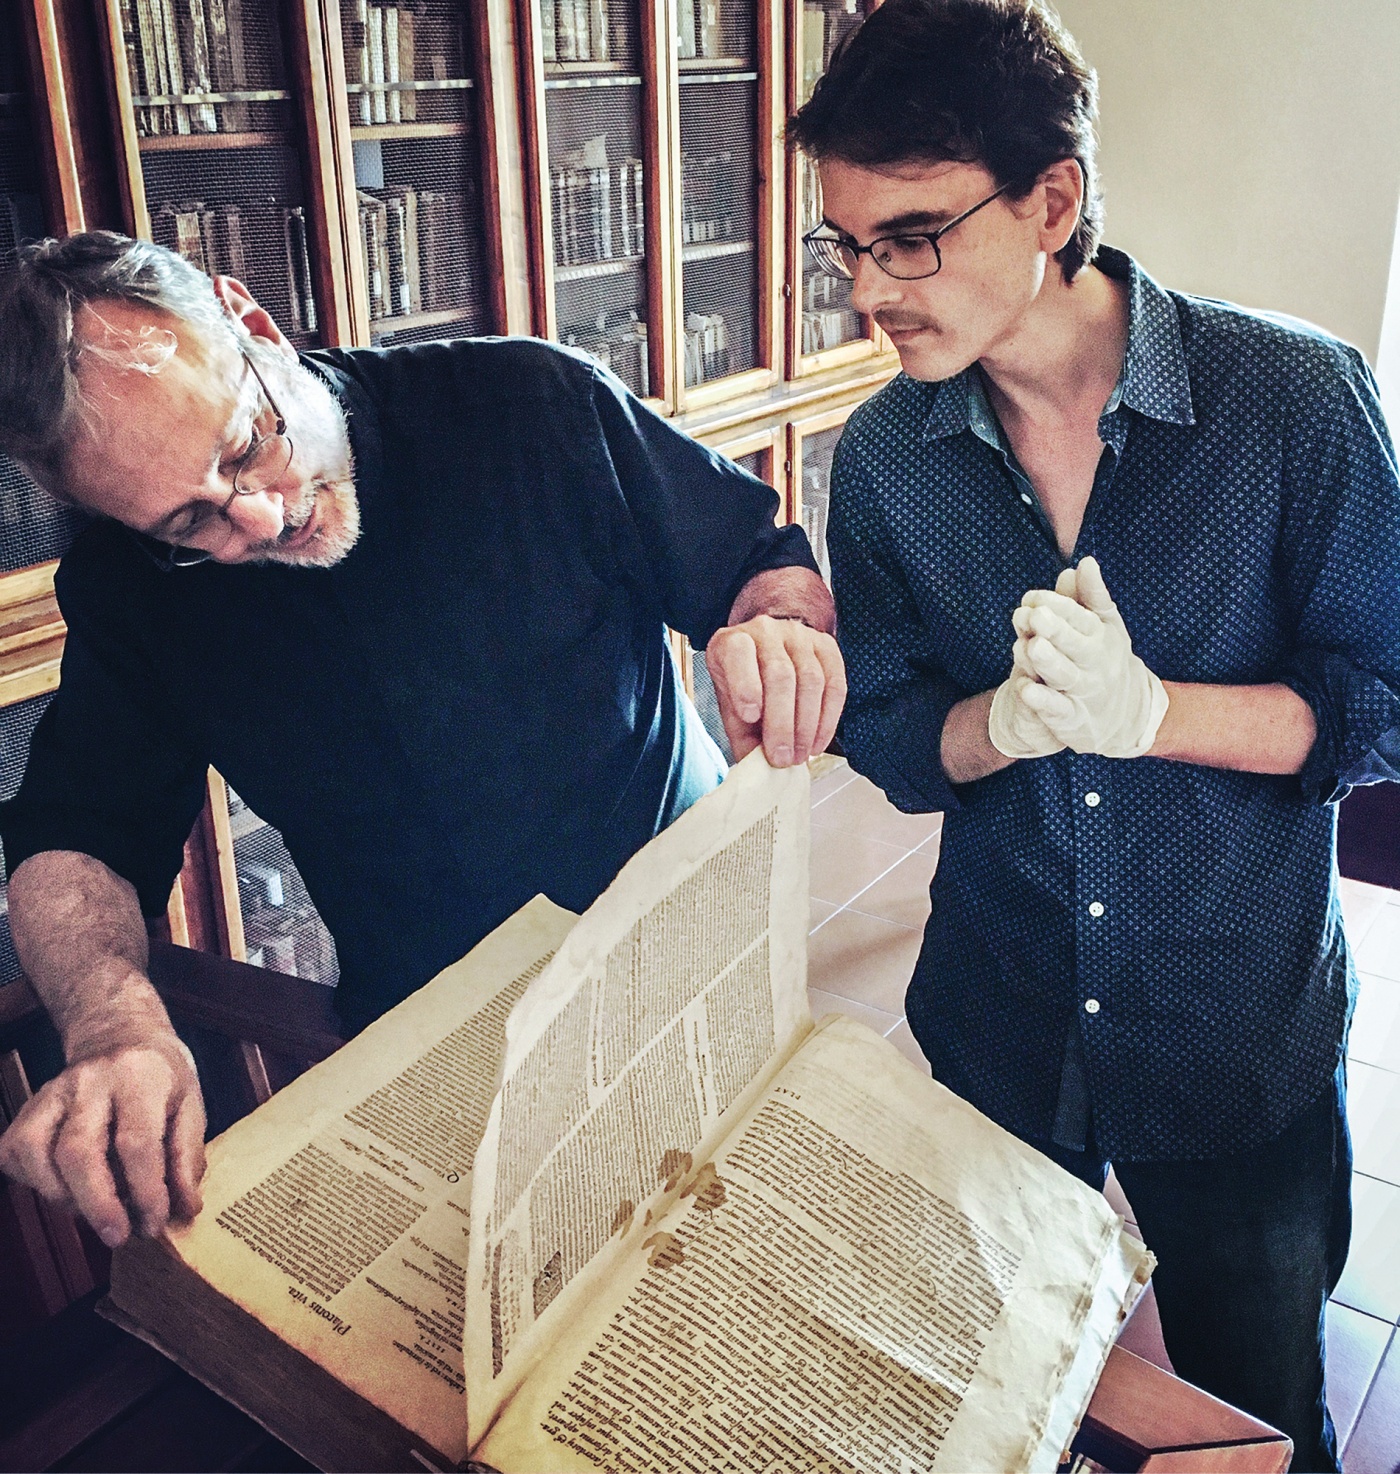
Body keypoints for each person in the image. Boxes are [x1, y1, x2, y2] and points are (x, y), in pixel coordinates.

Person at [788, 1, 1400, 1468]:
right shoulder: (881, 463)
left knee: (1258, 1412)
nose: (874, 287)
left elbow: (1385, 707)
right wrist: (998, 726)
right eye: (849, 245)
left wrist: (1150, 716)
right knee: (1003, 1390)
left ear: (1052, 199)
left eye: (914, 235)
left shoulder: (1294, 402)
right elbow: (882, 736)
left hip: (1233, 1028)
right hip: (998, 1020)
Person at [0, 232, 845, 1254]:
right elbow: (77, 831)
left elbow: (755, 558)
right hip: (426, 1025)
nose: (261, 517)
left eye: (245, 443)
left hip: (677, 938)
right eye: (190, 521)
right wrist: (111, 1026)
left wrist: (778, 628)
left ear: (254, 326)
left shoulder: (528, 404)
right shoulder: (131, 586)